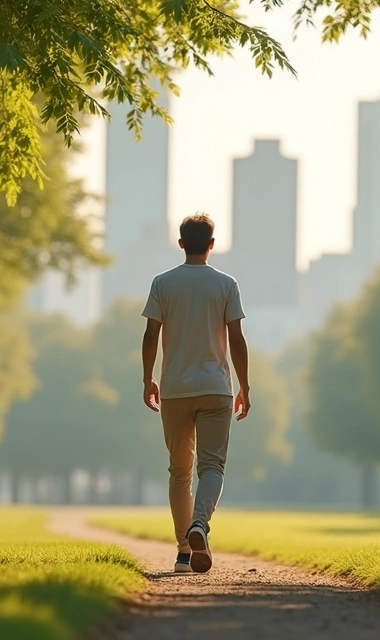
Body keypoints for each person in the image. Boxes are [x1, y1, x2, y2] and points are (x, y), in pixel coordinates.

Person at [141, 213, 251, 574]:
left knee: (179, 472)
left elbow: (150, 336)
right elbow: (236, 339)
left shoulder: (163, 283)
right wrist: (245, 386)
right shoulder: (226, 284)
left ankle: (184, 552)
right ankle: (200, 524)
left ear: (181, 243)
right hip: (216, 389)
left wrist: (148, 379)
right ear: (212, 245)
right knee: (212, 467)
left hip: (174, 389)